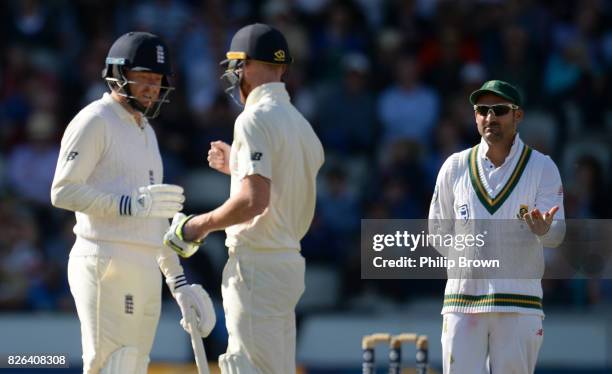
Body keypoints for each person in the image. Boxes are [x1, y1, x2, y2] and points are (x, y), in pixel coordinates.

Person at [163, 23, 324, 374]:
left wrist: (196, 227)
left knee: (247, 367)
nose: (233, 75)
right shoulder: (302, 126)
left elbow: (255, 201)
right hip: (286, 265)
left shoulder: (253, 119)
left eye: (235, 65)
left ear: (247, 64)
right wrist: (237, 167)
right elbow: (283, 190)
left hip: (256, 268)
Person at [50, 31, 215, 373]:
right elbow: (62, 192)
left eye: (156, 80)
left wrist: (178, 283)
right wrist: (128, 205)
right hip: (104, 257)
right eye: (143, 78)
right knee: (113, 365)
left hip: (145, 267)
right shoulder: (94, 120)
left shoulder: (146, 131)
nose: (152, 88)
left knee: (136, 366)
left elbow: (154, 217)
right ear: (118, 74)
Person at [428, 80, 565, 373]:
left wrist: (543, 230)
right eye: (482, 110)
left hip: (519, 302)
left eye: (499, 110)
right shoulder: (454, 165)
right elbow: (437, 232)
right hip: (463, 300)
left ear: (518, 115)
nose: (490, 118)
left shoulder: (542, 167)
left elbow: (557, 234)